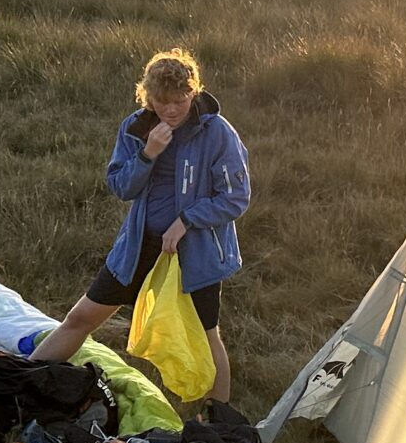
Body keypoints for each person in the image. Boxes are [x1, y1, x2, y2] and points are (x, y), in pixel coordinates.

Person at [31, 48, 251, 402]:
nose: (172, 109)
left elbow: (236, 196)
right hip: (139, 247)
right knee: (81, 316)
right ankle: (23, 380)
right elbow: (120, 186)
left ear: (193, 92)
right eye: (162, 101)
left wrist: (187, 220)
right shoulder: (136, 128)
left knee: (206, 336)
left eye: (180, 100)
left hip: (194, 253)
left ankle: (218, 425)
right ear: (148, 97)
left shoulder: (217, 132)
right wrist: (148, 153)